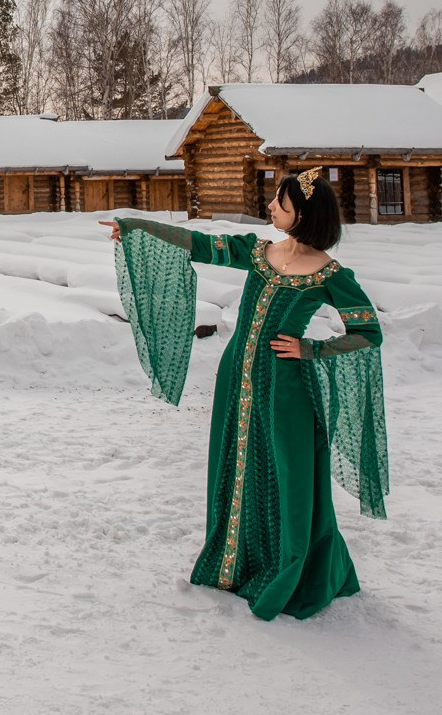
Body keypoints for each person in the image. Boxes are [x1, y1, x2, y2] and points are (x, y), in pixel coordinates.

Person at [101, 167, 389, 621]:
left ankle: (291, 569)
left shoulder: (331, 274)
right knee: (238, 464)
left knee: (288, 475)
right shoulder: (259, 252)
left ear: (304, 214)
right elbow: (198, 244)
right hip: (236, 378)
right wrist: (137, 226)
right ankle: (235, 561)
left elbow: (368, 332)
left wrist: (312, 348)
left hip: (288, 389)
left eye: (281, 202)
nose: (271, 207)